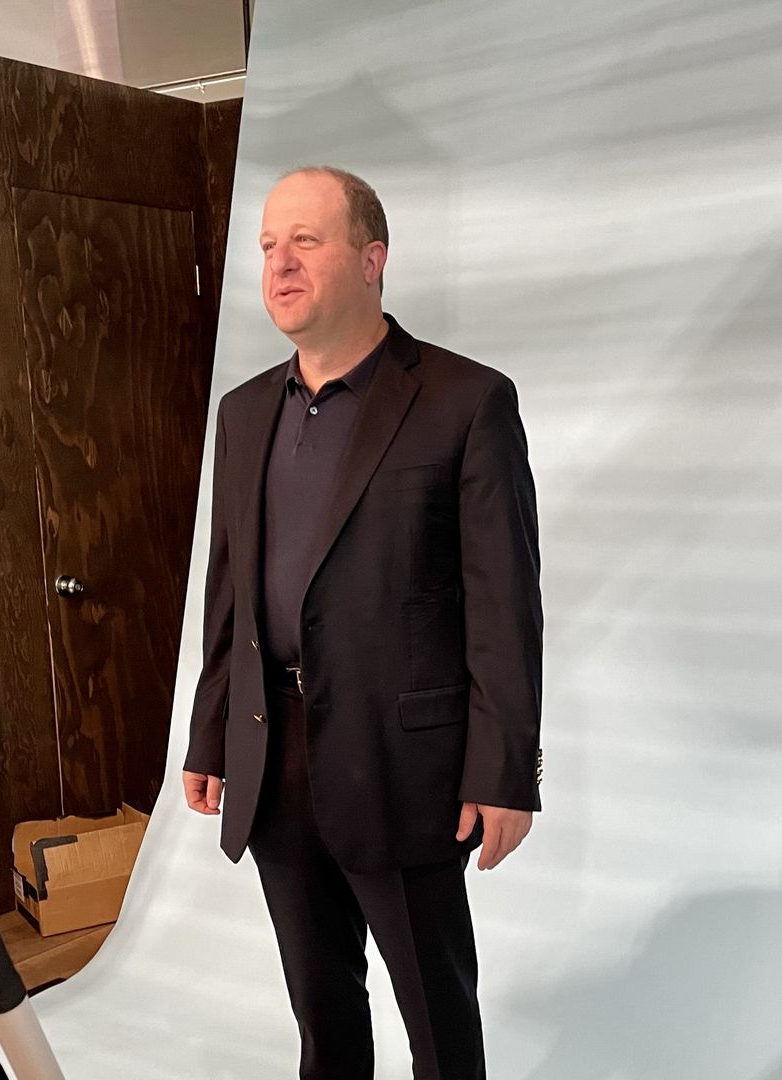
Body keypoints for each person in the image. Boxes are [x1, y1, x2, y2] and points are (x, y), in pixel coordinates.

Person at [179, 165, 543, 1080]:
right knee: (323, 1017)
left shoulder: (466, 402)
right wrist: (211, 730)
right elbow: (232, 592)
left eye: (306, 240)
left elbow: (504, 601)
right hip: (275, 753)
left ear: (373, 259)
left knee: (437, 1024)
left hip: (405, 766)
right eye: (267, 246)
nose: (279, 264)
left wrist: (505, 769)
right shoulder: (243, 412)